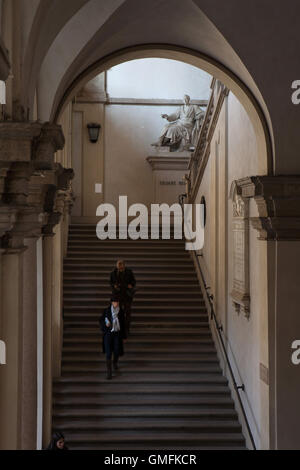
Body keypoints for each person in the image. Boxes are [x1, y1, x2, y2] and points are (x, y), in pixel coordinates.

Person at [100, 295, 127, 380]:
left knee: (116, 350)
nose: (116, 303)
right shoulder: (107, 311)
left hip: (117, 334)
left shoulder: (121, 312)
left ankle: (115, 362)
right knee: (108, 353)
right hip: (108, 334)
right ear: (112, 302)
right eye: (115, 302)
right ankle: (109, 372)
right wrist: (105, 325)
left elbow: (123, 324)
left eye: (117, 302)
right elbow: (101, 320)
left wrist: (124, 336)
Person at [110, 260, 136, 335]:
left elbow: (134, 281)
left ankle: (127, 329)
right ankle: (118, 328)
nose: (120, 269)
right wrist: (114, 287)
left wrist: (131, 285)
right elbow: (110, 283)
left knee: (127, 313)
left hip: (127, 295)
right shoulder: (113, 273)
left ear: (124, 266)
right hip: (117, 296)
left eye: (121, 268)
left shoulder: (129, 272)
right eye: (118, 267)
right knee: (117, 313)